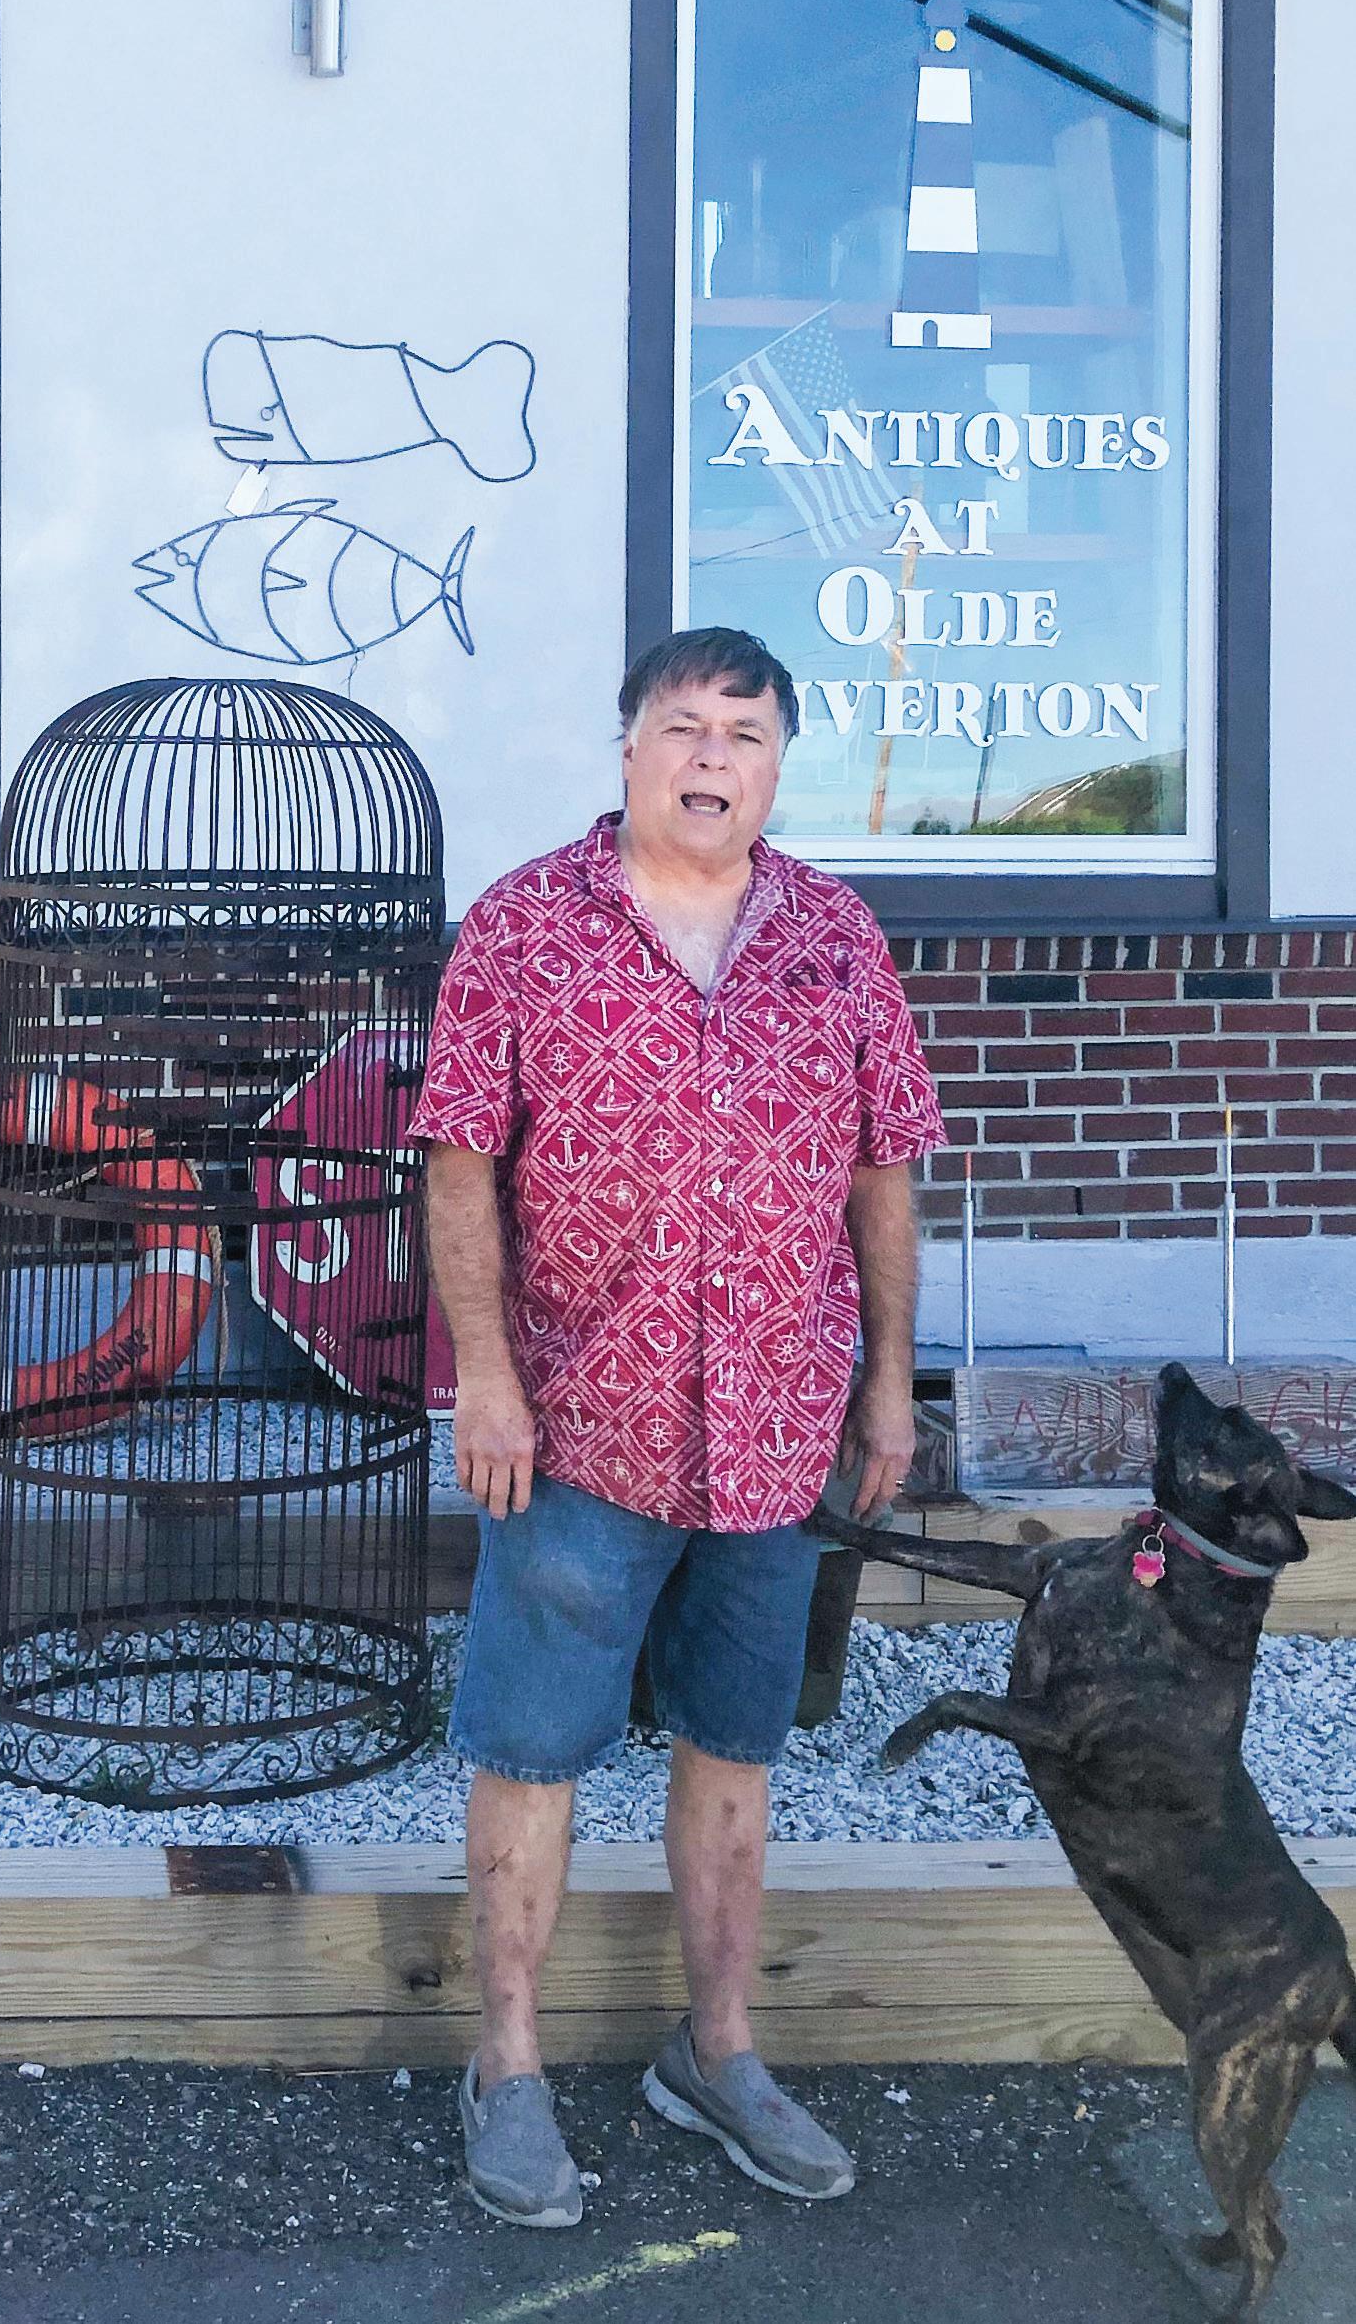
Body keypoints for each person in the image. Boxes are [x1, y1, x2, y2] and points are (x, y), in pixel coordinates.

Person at [409, 626, 946, 2229]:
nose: (713, 756)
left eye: (746, 733)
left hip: (778, 1425)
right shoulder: (522, 926)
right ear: (629, 743)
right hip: (577, 1425)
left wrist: (891, 1376)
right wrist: (484, 1373)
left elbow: (885, 1168)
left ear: (778, 763)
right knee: (530, 1747)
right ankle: (507, 2066)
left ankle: (716, 2050)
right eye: (684, 725)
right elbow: (456, 1164)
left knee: (737, 1747)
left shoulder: (838, 938)